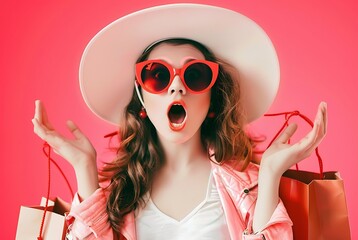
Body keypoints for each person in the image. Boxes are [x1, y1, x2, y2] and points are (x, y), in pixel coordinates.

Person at [32, 4, 327, 240]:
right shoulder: (115, 195)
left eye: (195, 75)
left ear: (213, 97)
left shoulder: (249, 186)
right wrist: (85, 172)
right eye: (157, 75)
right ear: (141, 97)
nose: (176, 87)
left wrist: (270, 175)